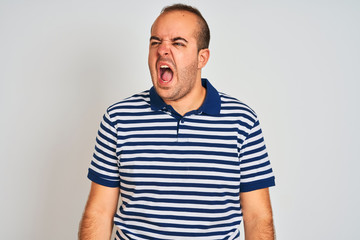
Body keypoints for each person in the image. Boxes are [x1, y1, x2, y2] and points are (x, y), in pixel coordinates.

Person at [79, 4, 275, 240]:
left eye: (178, 43)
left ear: (202, 57)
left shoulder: (243, 122)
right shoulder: (118, 118)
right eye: (155, 42)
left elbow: (257, 217)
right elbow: (99, 213)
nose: (162, 50)